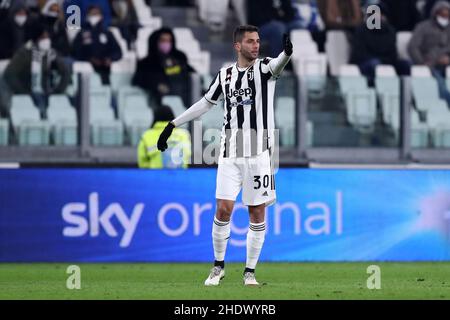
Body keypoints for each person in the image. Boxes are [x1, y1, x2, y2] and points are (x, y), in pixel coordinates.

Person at [156, 25, 293, 286]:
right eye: (251, 42)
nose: (256, 45)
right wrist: (173, 124)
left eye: (258, 41)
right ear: (237, 46)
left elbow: (278, 64)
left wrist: (286, 54)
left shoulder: (264, 68)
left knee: (256, 212)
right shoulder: (225, 75)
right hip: (230, 152)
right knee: (224, 208)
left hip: (260, 154)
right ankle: (218, 266)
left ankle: (249, 272)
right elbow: (206, 103)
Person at [3, 22, 70, 114]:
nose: (46, 40)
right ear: (36, 39)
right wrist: (22, 91)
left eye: (47, 37)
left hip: (49, 93)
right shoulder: (25, 53)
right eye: (43, 38)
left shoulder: (52, 53)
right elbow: (10, 74)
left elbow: (65, 72)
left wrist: (58, 90)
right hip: (29, 94)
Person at [132, 27, 195, 107]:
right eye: (163, 40)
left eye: (169, 41)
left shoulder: (180, 58)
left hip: (183, 98)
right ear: (155, 42)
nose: (166, 43)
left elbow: (191, 73)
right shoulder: (146, 63)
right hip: (160, 101)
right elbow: (138, 80)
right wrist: (156, 85)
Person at [350, 3, 410, 84]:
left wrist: (384, 61)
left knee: (405, 64)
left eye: (381, 15)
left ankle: (405, 92)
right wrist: (379, 60)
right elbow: (359, 54)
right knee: (374, 63)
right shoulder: (361, 30)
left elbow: (393, 54)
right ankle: (373, 91)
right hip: (365, 63)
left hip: (386, 62)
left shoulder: (390, 31)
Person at [409, 1, 450, 106]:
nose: (445, 18)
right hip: (429, 64)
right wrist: (422, 63)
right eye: (442, 15)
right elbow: (413, 47)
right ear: (435, 14)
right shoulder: (423, 27)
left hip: (447, 64)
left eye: (447, 16)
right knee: (439, 83)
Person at [72, 5, 122, 84]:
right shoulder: (82, 34)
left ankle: (107, 90)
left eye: (96, 14)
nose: (94, 16)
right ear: (87, 16)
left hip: (105, 69)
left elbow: (118, 52)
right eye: (92, 14)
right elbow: (75, 52)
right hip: (87, 68)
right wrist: (90, 59)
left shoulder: (108, 33)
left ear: (101, 16)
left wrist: (110, 59)